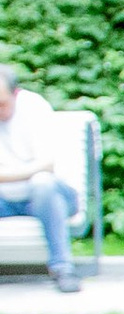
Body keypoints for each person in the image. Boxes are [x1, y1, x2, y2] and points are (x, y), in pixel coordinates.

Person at [0, 64, 80, 295]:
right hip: (5, 200)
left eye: (2, 104)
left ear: (16, 94)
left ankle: (63, 269)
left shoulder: (33, 108)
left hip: (50, 197)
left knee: (42, 183)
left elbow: (46, 164)